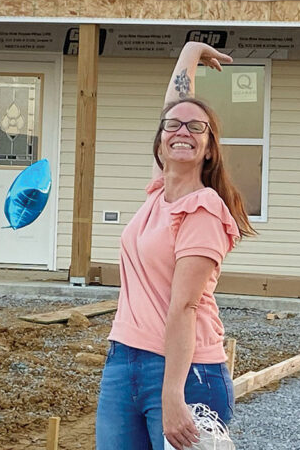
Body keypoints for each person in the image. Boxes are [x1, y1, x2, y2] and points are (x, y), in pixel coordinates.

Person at [96, 41, 256, 450]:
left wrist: (173, 394)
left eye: (196, 128)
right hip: (123, 361)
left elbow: (184, 306)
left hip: (185, 372)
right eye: (173, 127)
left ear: (208, 150)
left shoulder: (203, 211)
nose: (182, 131)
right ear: (161, 141)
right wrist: (191, 51)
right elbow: (174, 107)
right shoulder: (157, 193)